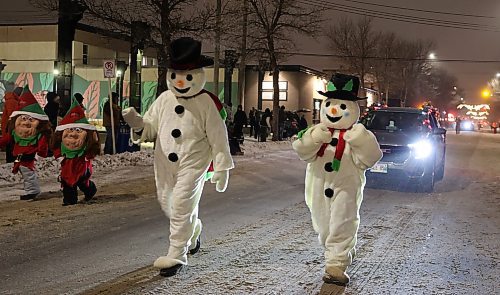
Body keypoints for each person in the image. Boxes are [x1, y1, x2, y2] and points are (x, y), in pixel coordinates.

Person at [122, 37, 233, 277]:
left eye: (187, 76)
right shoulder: (163, 99)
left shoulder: (206, 103)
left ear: (198, 75)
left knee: (182, 203)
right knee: (170, 205)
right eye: (175, 76)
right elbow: (150, 128)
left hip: (194, 162)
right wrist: (138, 123)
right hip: (164, 163)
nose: (181, 82)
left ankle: (176, 254)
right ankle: (192, 231)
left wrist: (222, 166)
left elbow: (218, 136)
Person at [292, 73, 382, 286]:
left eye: (342, 107)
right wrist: (314, 139)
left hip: (346, 186)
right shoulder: (317, 131)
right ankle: (337, 254)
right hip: (318, 184)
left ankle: (336, 264)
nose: (334, 110)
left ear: (352, 109)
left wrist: (359, 140)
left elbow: (371, 157)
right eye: (331, 104)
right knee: (324, 227)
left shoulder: (358, 134)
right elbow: (302, 151)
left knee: (342, 221)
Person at [0, 86, 53, 200]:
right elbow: (7, 138)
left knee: (28, 172)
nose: (26, 123)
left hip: (28, 154)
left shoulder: (38, 134)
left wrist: (40, 153)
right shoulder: (16, 132)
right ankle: (30, 189)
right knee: (23, 171)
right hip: (19, 155)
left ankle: (32, 190)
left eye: (30, 120)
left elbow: (43, 143)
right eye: (23, 119)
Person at [51, 97, 100, 206]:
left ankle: (90, 190)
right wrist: (59, 156)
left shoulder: (87, 141)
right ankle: (69, 199)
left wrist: (88, 156)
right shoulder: (61, 141)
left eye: (78, 130)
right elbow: (56, 148)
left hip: (80, 162)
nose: (73, 134)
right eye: (70, 130)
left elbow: (93, 147)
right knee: (66, 180)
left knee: (81, 181)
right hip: (67, 162)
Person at [1, 87, 22, 163]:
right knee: (11, 144)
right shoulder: (12, 101)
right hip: (10, 126)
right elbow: (12, 115)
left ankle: (11, 160)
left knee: (10, 144)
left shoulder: (12, 100)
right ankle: (11, 162)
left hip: (9, 125)